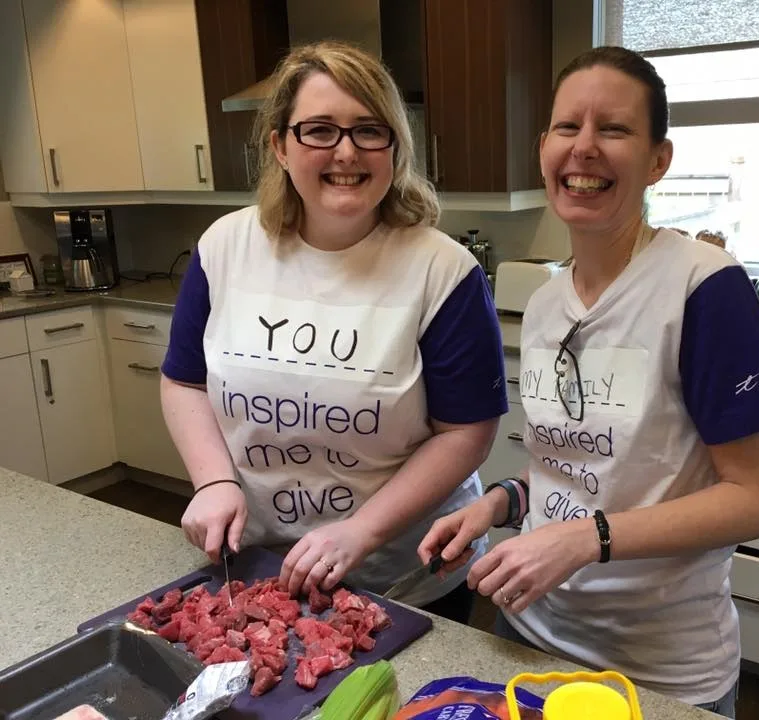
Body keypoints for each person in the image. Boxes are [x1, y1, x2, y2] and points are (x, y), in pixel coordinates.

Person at [418, 46, 759, 717]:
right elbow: (575, 467)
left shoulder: (703, 286)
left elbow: (755, 499)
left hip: (659, 668)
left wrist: (583, 539)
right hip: (529, 635)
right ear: (544, 148)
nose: (584, 148)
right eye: (568, 128)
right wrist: (500, 503)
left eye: (614, 130)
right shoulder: (543, 302)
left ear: (658, 160)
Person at [160, 41, 507, 624]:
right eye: (318, 130)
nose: (346, 151)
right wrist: (213, 481)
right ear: (279, 144)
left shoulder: (442, 272)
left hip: (401, 575)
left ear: (395, 148)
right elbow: (185, 382)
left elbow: (467, 433)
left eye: (369, 130)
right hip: (257, 562)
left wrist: (361, 532)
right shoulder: (224, 248)